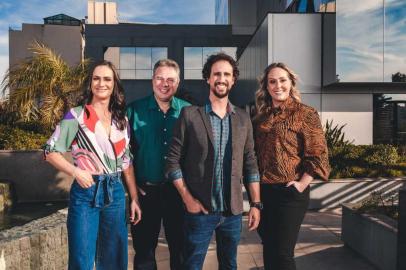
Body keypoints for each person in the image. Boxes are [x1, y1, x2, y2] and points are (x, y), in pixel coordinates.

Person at [165, 53, 261, 270]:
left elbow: (250, 163)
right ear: (207, 78)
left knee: (229, 265)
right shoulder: (190, 115)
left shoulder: (243, 119)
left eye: (227, 74)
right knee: (191, 265)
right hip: (199, 210)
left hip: (233, 212)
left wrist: (255, 204)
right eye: (216, 74)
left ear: (233, 80)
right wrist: (188, 199)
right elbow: (172, 162)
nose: (221, 78)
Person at [44, 60, 141, 270]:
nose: (101, 83)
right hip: (86, 191)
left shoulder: (121, 120)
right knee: (82, 260)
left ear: (114, 84)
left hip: (115, 192)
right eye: (96, 78)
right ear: (90, 83)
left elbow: (127, 163)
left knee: (115, 259)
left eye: (107, 79)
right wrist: (76, 171)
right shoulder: (76, 115)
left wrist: (133, 198)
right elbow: (50, 151)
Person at [253, 62, 330, 270]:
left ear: (291, 83)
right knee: (269, 248)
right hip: (264, 192)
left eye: (282, 80)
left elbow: (318, 153)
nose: (278, 85)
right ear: (266, 87)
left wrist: (302, 184)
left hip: (290, 193)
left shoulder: (306, 113)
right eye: (272, 81)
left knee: (283, 253)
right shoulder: (260, 117)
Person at [127, 59, 190, 270]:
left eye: (170, 79)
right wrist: (132, 189)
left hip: (178, 193)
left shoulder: (189, 112)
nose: (165, 83)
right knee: (144, 253)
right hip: (146, 193)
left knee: (181, 251)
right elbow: (123, 155)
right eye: (160, 78)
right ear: (152, 80)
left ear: (178, 82)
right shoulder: (134, 111)